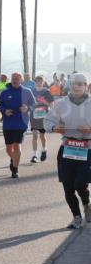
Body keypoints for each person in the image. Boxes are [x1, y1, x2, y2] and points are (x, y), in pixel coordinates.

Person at [44, 73, 91, 229]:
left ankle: (86, 204)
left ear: (86, 86)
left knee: (80, 184)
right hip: (67, 148)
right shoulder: (61, 103)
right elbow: (48, 121)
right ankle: (76, 217)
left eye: (80, 84)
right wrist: (55, 128)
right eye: (73, 83)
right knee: (68, 186)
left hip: (87, 148)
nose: (76, 86)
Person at [0, 72, 36, 178]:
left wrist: (27, 108)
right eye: (13, 79)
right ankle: (14, 159)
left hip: (21, 123)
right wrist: (4, 111)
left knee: (17, 145)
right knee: (9, 148)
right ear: (11, 79)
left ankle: (15, 169)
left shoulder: (27, 91)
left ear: (21, 80)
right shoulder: (5, 92)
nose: (15, 81)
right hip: (8, 124)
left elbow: (33, 104)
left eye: (17, 79)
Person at [29, 75, 55, 163]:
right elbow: (28, 103)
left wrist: (45, 103)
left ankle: (44, 150)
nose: (39, 82)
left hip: (43, 116)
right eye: (37, 81)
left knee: (42, 136)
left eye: (41, 81)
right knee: (35, 135)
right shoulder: (32, 92)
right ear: (35, 82)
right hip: (34, 116)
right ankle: (34, 155)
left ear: (43, 82)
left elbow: (52, 104)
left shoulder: (46, 92)